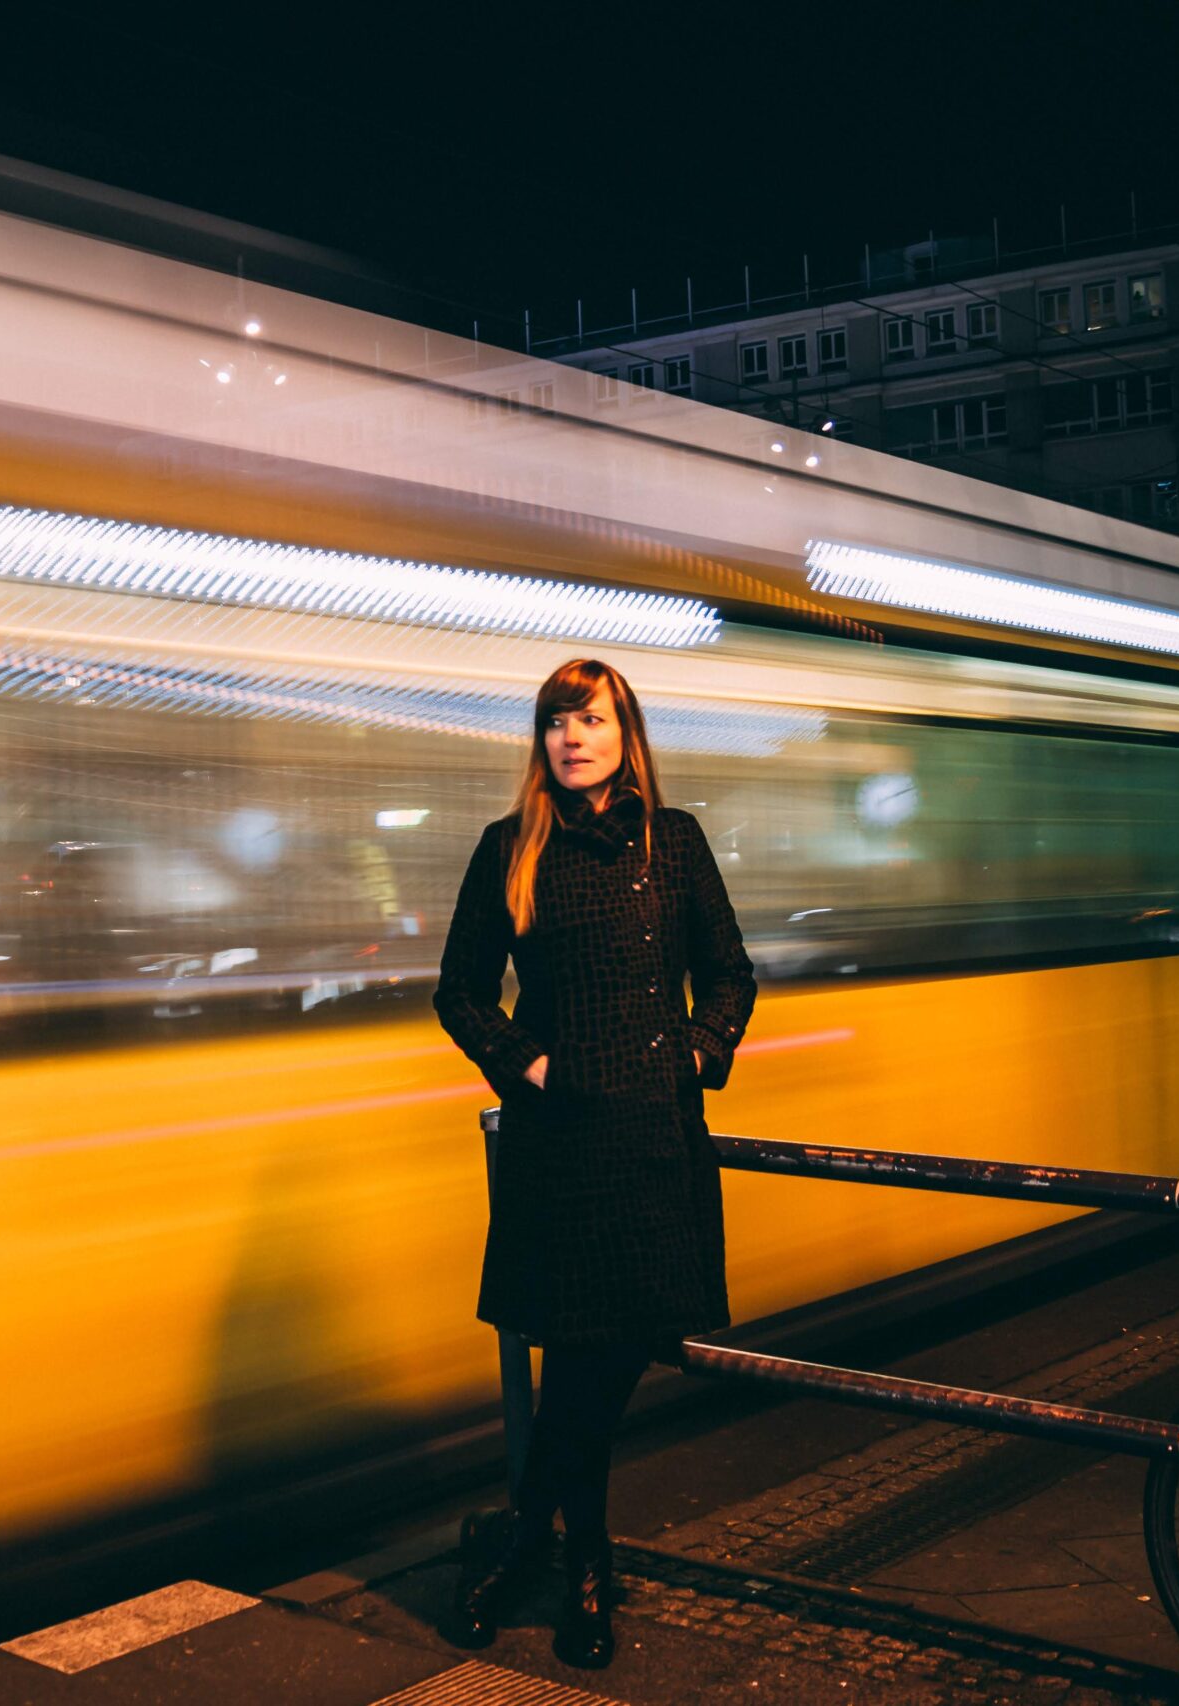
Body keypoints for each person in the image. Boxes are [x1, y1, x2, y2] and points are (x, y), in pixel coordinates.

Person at [431, 658, 756, 1668]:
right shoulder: (509, 849)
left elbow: (729, 972)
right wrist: (522, 1061)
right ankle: (580, 1562)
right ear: (542, 739)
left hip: (653, 1143)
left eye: (592, 719)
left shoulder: (675, 841)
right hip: (559, 1142)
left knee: (593, 1360)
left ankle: (541, 1533)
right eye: (557, 720)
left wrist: (702, 1052)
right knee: (579, 1351)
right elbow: (460, 988)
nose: (573, 737)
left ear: (626, 735)